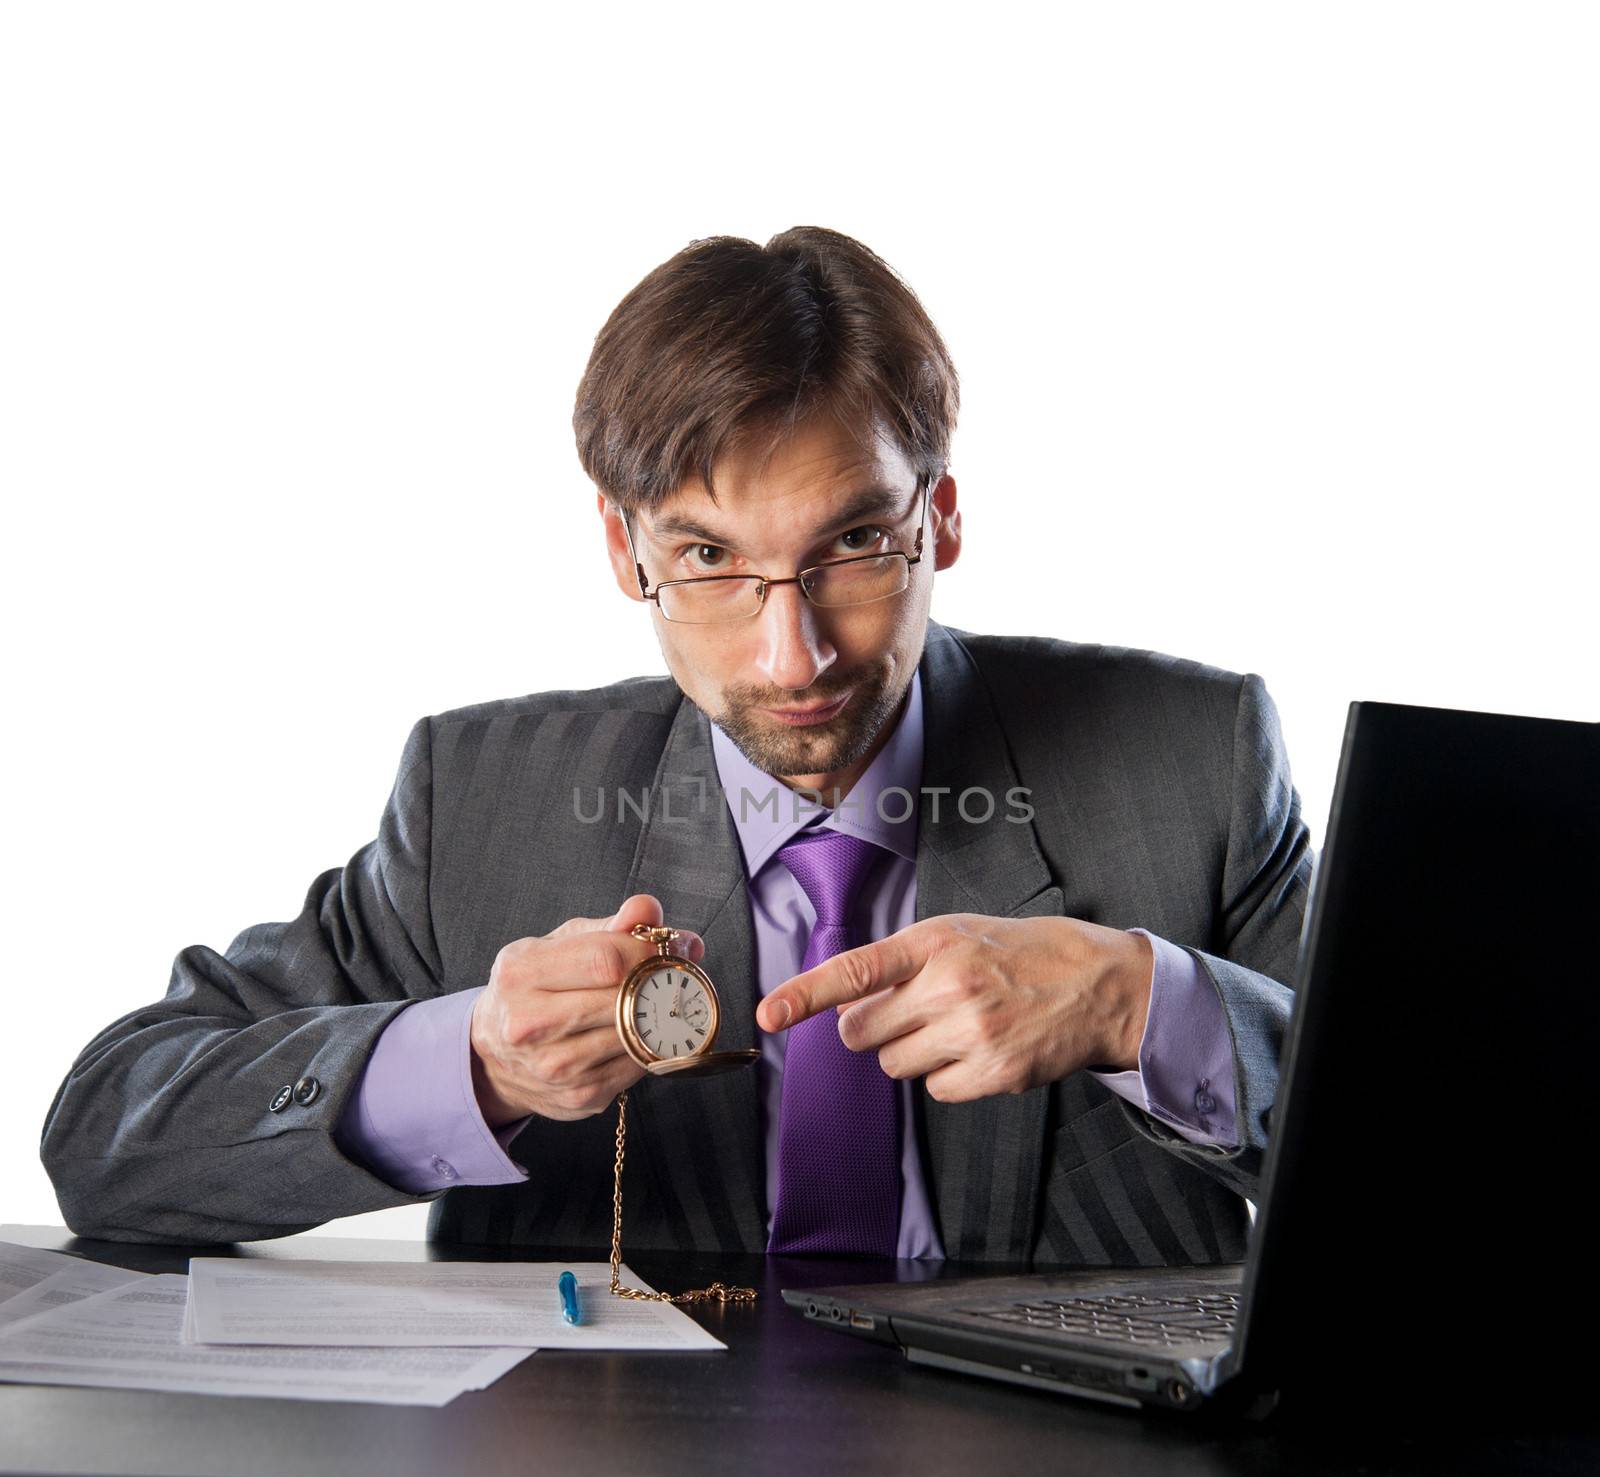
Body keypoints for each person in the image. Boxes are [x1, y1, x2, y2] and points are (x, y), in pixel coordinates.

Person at [43, 226, 1312, 1263]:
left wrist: (1150, 1007)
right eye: (708, 560)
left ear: (942, 517)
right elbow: (108, 1134)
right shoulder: (482, 802)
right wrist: (468, 1062)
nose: (791, 655)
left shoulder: (1190, 764)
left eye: (856, 545)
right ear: (623, 551)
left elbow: (1467, 1192)